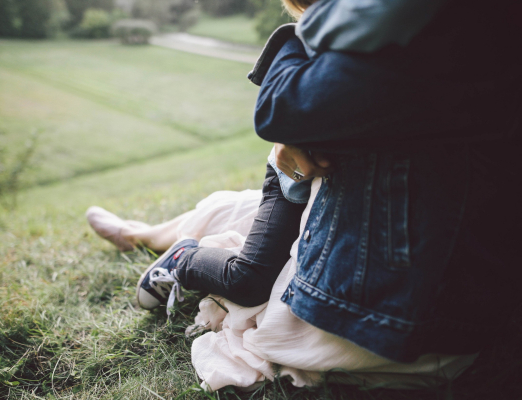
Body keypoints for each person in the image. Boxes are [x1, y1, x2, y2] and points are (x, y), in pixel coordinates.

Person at [87, 0, 521, 391]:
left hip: (408, 284)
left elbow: (279, 108)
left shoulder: (430, 35)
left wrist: (303, 56)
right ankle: (142, 233)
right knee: (239, 206)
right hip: (355, 208)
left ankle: (183, 258)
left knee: (250, 273)